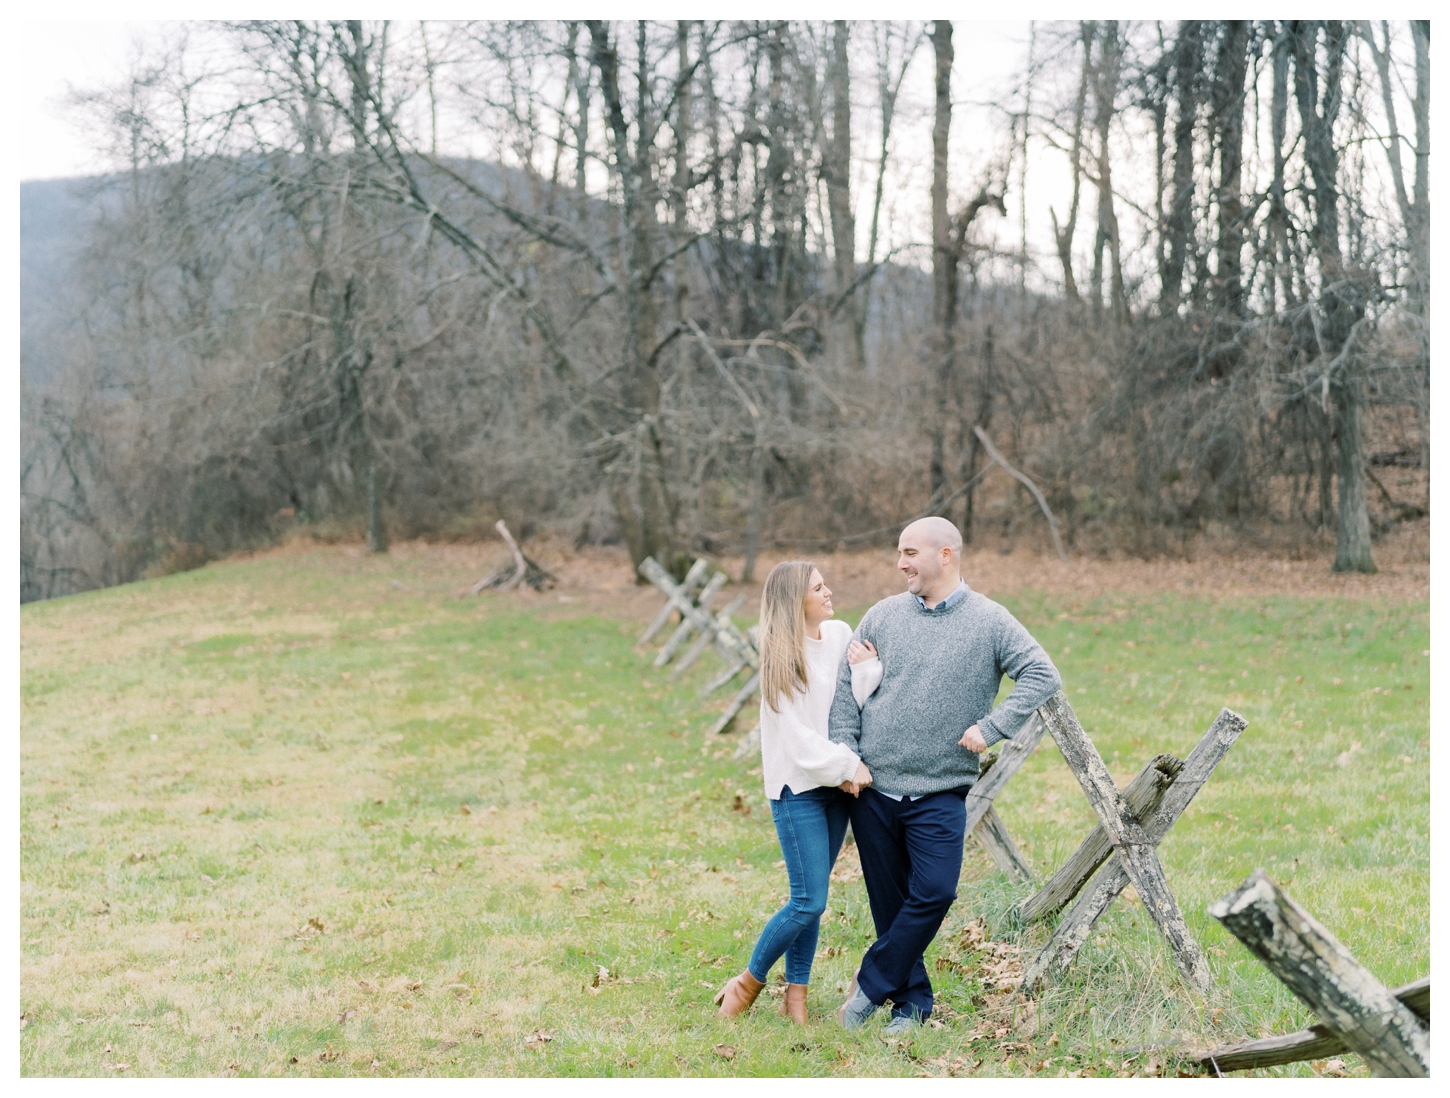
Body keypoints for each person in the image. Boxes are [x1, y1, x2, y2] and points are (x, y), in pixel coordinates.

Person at [827, 517, 1061, 1034]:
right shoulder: (882, 616)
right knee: (890, 906)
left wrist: (993, 725)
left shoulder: (991, 621)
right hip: (872, 788)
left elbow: (1043, 674)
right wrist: (848, 757)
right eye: (900, 552)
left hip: (941, 790)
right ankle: (911, 1006)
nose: (901, 563)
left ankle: (868, 985)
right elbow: (846, 695)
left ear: (946, 555)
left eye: (910, 552)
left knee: (934, 892)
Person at [716, 561, 880, 1024]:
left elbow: (856, 703)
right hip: (799, 788)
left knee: (815, 896)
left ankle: (797, 1000)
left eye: (827, 583)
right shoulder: (780, 658)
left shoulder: (840, 633)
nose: (830, 591)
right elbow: (799, 739)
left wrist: (867, 671)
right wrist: (848, 766)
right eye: (818, 587)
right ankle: (746, 983)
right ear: (796, 601)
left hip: (837, 789)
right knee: (808, 899)